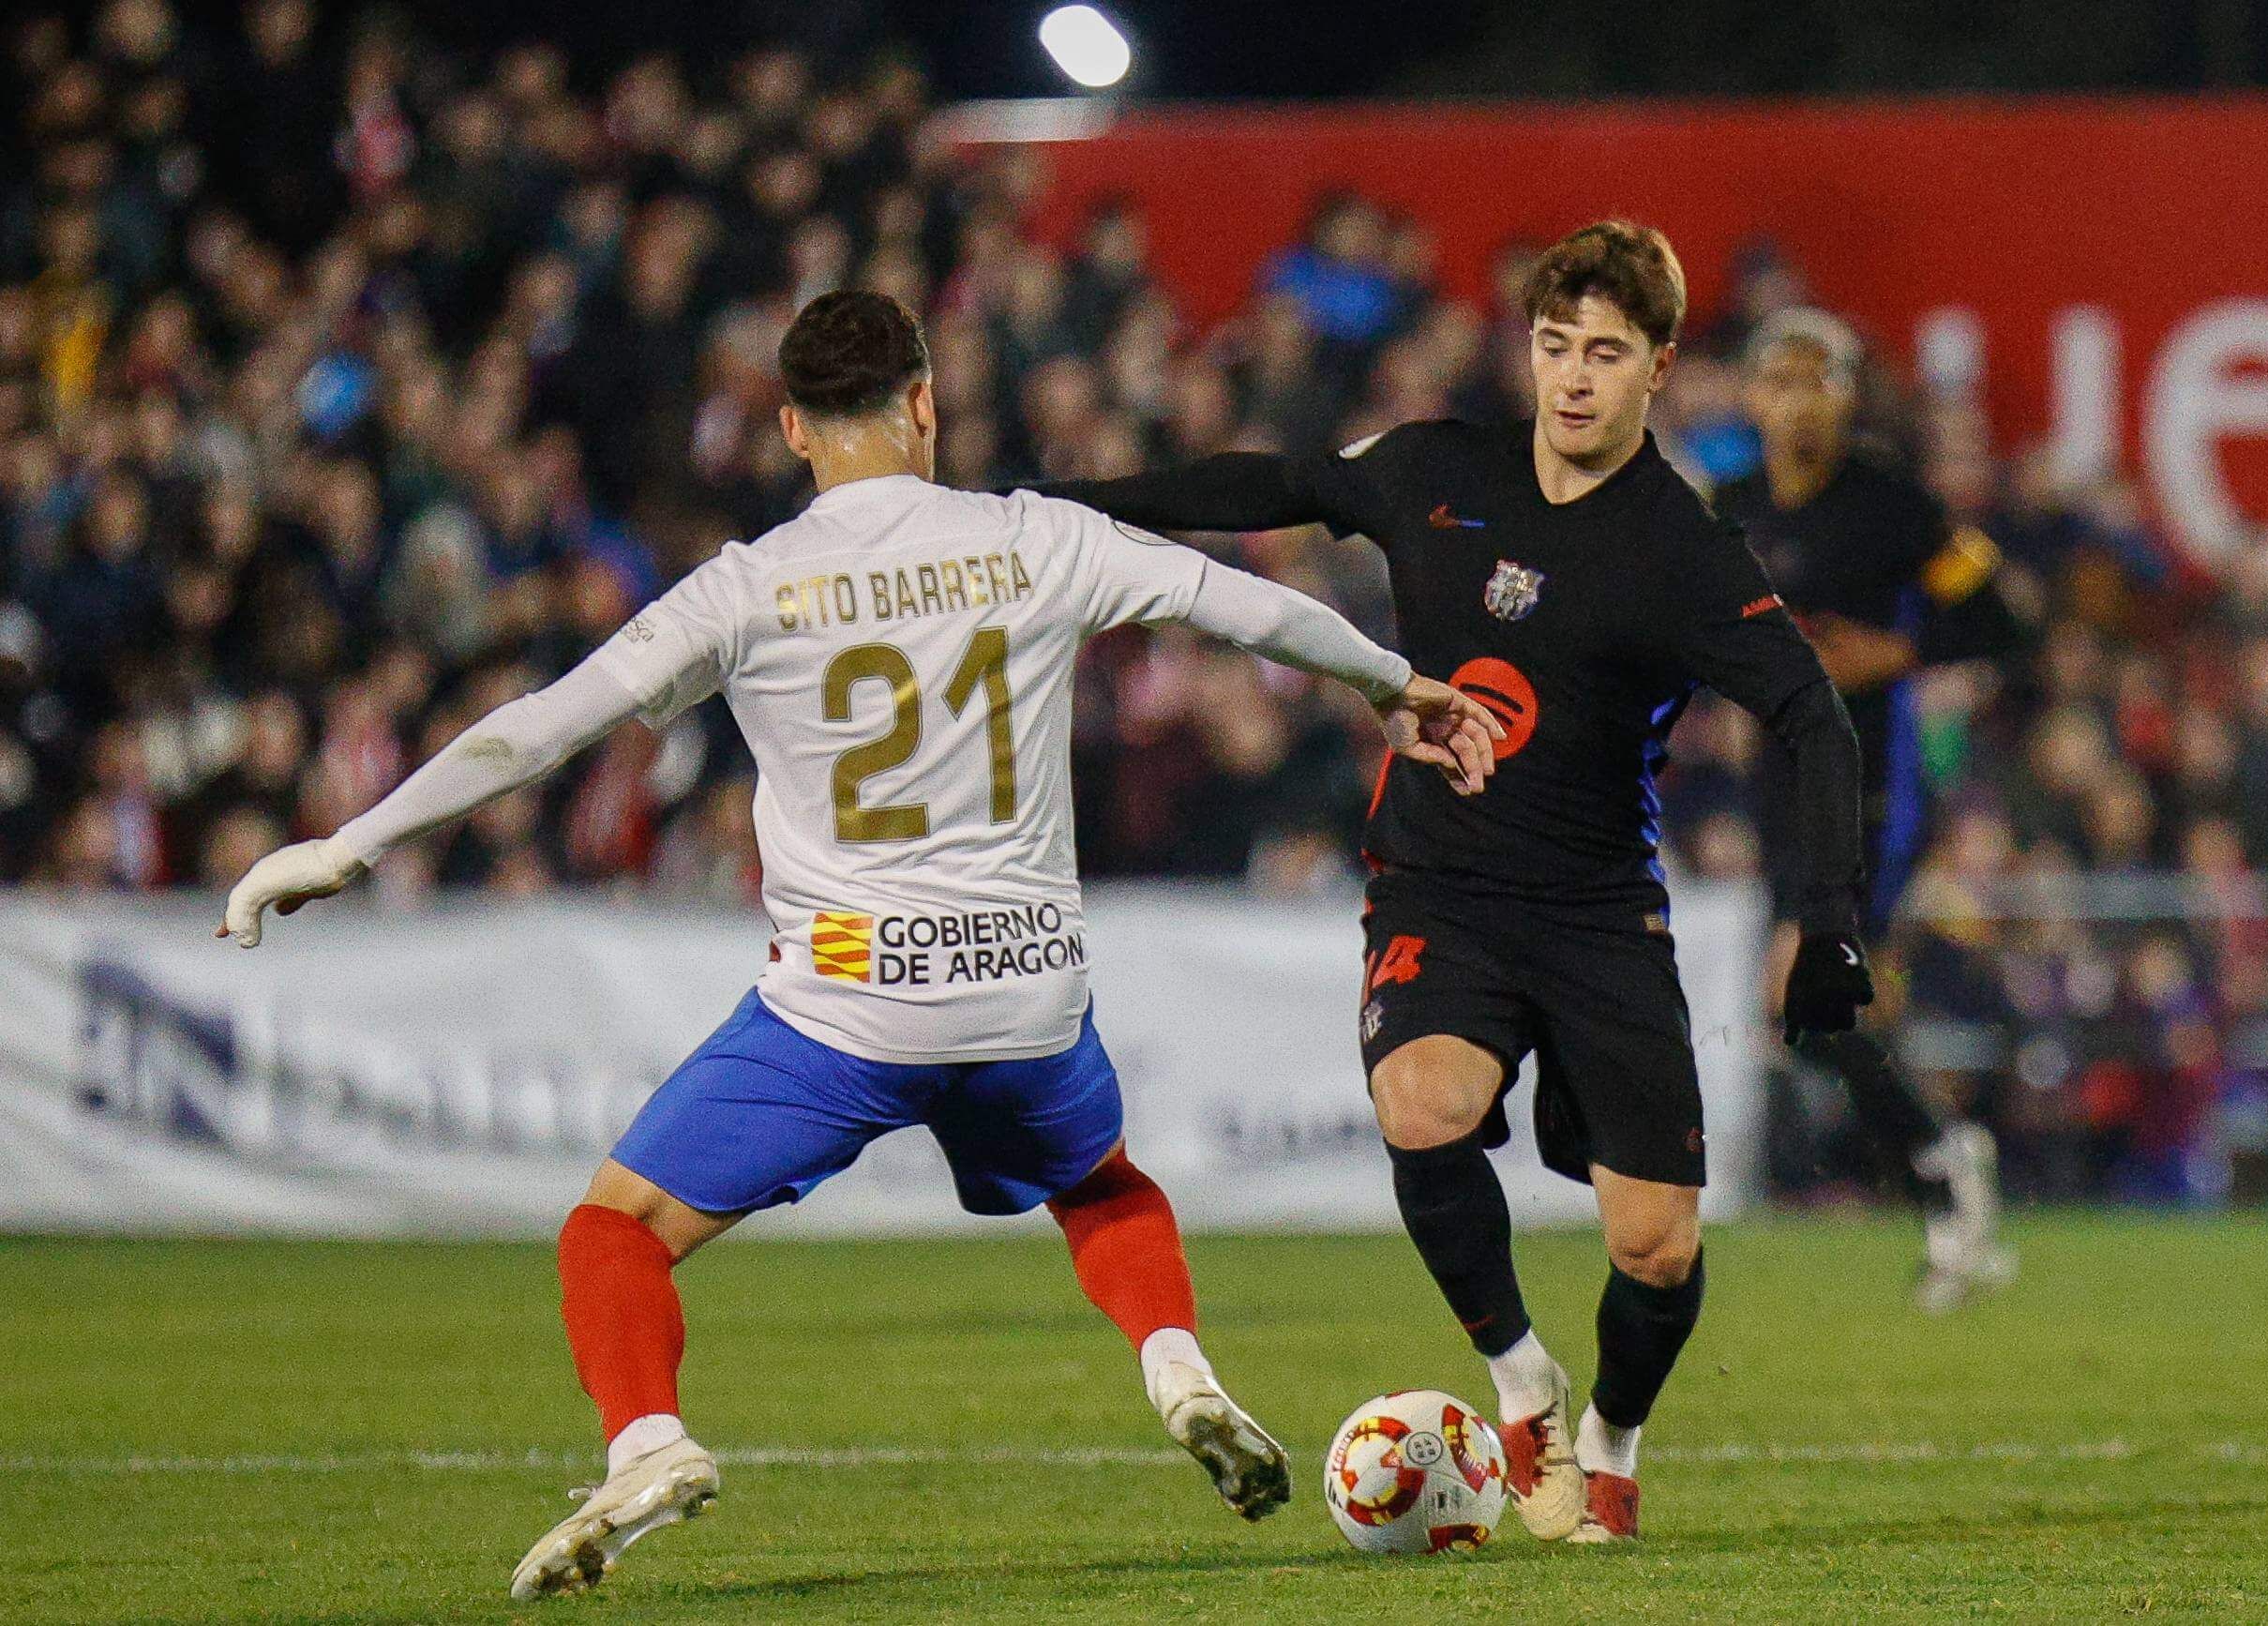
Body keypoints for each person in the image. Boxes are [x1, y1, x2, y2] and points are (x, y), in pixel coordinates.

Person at [217, 290, 1504, 1600]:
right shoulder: (1034, 538)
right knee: (1104, 1185)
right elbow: (1247, 607)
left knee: (610, 1231)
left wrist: (353, 842)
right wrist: (1392, 684)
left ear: (789, 426)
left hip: (848, 1005)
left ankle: (648, 1439)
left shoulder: (747, 584)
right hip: (1025, 993)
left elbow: (542, 725)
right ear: (926, 401)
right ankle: (1179, 1370)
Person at [1024, 221, 1871, 1543]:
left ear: (1659, 368)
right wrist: (1088, 500)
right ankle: (1520, 1379)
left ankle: (1611, 1434)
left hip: (1600, 909)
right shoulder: (1436, 470)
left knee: (1655, 1248)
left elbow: (1817, 719)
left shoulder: (1684, 549)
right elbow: (1280, 479)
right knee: (1423, 1104)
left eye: (1606, 352)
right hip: (1441, 883)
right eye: (1554, 346)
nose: (1574, 377)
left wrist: (1830, 926)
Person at [1713, 308, 2026, 1312]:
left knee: (1807, 998)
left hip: (1870, 784)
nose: (1799, 401)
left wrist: (1897, 655)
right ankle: (1945, 1171)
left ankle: (1943, 1171)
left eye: (1821, 380)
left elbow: (1998, 618)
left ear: (1849, 396)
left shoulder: (1896, 509)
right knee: (1824, 1015)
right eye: (1781, 380)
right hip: (1778, 782)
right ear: (1752, 395)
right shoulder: (1731, 506)